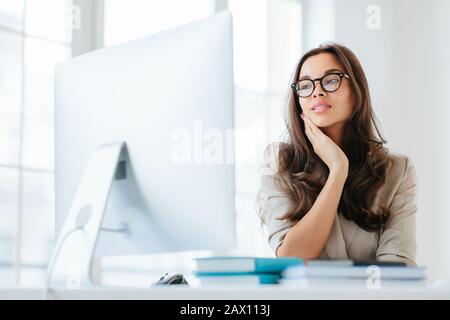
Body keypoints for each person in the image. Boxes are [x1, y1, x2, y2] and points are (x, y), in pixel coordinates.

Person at [256, 42, 417, 266]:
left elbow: (397, 269)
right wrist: (338, 169)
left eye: (331, 80)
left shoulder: (397, 171)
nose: (317, 91)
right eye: (305, 85)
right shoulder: (278, 161)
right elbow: (292, 257)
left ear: (357, 90)